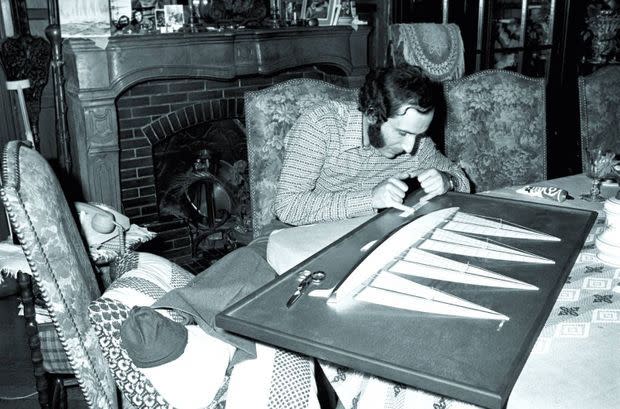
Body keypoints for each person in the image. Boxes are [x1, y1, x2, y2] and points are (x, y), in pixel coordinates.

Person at [274, 64, 470, 227]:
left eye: (418, 134)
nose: (411, 147)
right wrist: (370, 199)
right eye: (402, 133)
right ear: (372, 115)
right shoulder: (321, 125)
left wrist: (448, 181)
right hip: (304, 233)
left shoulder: (418, 141)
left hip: (368, 234)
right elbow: (287, 207)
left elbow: (462, 179)